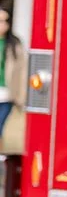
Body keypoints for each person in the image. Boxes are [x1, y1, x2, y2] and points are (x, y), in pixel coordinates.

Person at [0, 8, 27, 148]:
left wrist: (22, 97)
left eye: (4, 21)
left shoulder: (15, 44)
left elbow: (23, 72)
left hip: (7, 95)